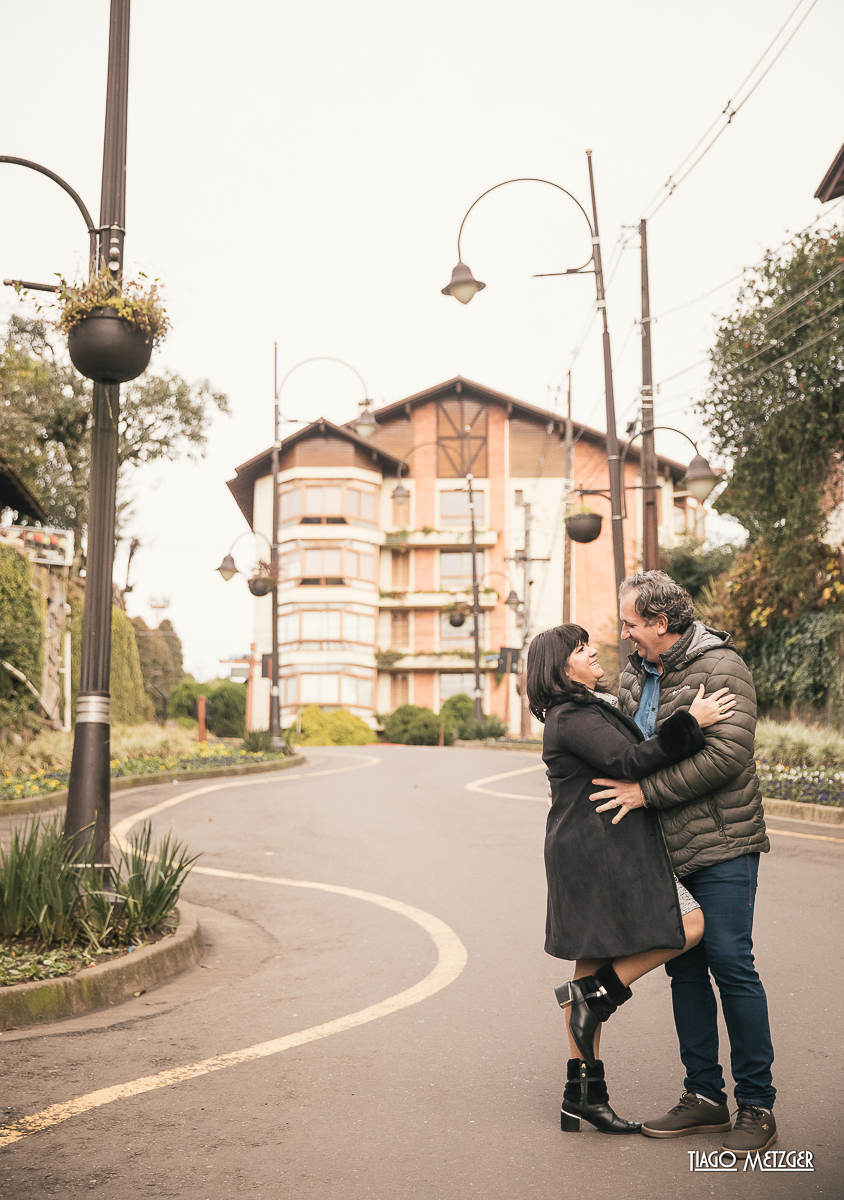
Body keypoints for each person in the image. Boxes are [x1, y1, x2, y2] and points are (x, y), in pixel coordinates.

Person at [589, 570, 775, 1159]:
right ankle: (703, 1097)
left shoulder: (722, 668)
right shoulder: (634, 672)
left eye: (630, 623)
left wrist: (646, 794)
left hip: (722, 844)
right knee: (683, 968)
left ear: (661, 624)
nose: (624, 634)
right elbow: (622, 744)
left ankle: (757, 1105)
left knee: (729, 962)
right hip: (663, 849)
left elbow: (725, 757)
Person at [526, 623, 736, 1136]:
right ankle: (598, 996)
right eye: (581, 649)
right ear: (560, 668)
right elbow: (627, 761)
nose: (594, 650)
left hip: (592, 846)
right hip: (597, 851)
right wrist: (693, 721)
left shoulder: (583, 706)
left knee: (589, 959)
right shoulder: (571, 714)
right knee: (688, 924)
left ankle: (582, 1098)